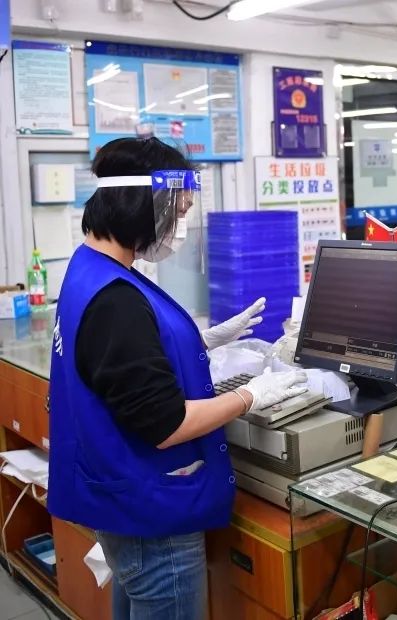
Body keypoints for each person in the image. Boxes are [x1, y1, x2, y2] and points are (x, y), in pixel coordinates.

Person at [48, 137, 307, 619]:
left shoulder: (93, 268)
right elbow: (165, 425)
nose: (181, 225)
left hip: (125, 502)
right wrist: (251, 395)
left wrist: (202, 341)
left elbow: (115, 360)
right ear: (143, 204)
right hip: (154, 515)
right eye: (179, 210)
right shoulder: (114, 298)